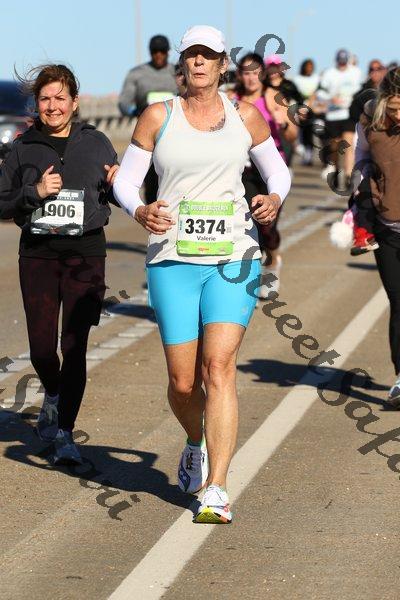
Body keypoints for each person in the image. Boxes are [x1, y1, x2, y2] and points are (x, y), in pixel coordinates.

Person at [114, 25, 291, 523]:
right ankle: (196, 441)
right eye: (191, 55)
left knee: (219, 367)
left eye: (207, 56)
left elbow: (277, 171)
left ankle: (217, 488)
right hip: (172, 257)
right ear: (182, 62)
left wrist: (274, 198)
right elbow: (127, 181)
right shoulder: (159, 116)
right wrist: (139, 209)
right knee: (182, 381)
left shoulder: (244, 116)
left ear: (221, 65)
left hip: (234, 256)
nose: (198, 63)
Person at [0, 64, 119, 464]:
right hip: (38, 254)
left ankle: (65, 433)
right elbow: (1, 203)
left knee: (74, 345)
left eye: (60, 98)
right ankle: (53, 391)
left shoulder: (97, 143)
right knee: (42, 350)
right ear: (37, 103)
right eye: (45, 99)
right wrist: (33, 192)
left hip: (86, 253)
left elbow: (120, 193)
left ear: (75, 102)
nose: (52, 106)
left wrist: (120, 182)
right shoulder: (23, 148)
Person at [352, 67, 400, 406]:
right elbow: (361, 158)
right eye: (394, 108)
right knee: (399, 303)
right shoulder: (371, 120)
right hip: (387, 226)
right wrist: (361, 193)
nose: (398, 115)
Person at [233, 52, 297, 298]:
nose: (250, 78)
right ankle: (250, 278)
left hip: (271, 170)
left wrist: (283, 122)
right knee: (249, 222)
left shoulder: (273, 97)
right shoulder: (232, 99)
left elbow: (292, 136)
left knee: (268, 225)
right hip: (244, 169)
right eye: (246, 73)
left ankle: (273, 262)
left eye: (255, 73)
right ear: (240, 75)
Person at [119, 35, 178, 206]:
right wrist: (134, 111)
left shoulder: (177, 72)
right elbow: (124, 103)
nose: (158, 55)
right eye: (154, 52)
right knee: (151, 179)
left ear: (168, 52)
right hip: (149, 134)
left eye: (162, 51)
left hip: (175, 132)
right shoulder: (137, 74)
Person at [319, 49, 362, 186]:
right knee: (335, 146)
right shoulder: (329, 74)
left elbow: (360, 90)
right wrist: (330, 98)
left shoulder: (356, 72)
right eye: (340, 62)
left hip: (349, 114)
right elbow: (320, 92)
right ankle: (337, 169)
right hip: (332, 115)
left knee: (349, 143)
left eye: (344, 62)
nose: (342, 64)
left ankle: (349, 175)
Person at [263, 54, 302, 168]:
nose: (273, 70)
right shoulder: (263, 85)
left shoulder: (288, 84)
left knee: (287, 144)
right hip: (269, 120)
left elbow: (299, 100)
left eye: (275, 67)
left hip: (287, 119)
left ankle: (287, 165)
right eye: (270, 67)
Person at [294, 59, 320, 165]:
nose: (309, 69)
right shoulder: (297, 79)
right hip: (299, 109)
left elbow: (316, 93)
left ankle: (309, 155)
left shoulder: (316, 79)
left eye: (311, 67)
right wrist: (300, 108)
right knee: (301, 132)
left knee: (310, 132)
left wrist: (309, 105)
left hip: (311, 109)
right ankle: (302, 151)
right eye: (307, 66)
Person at [349, 59, 386, 125]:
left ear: (384, 70)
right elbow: (354, 111)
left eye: (378, 68)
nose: (375, 72)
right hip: (369, 126)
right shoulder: (362, 93)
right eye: (371, 69)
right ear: (369, 72)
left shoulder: (391, 89)